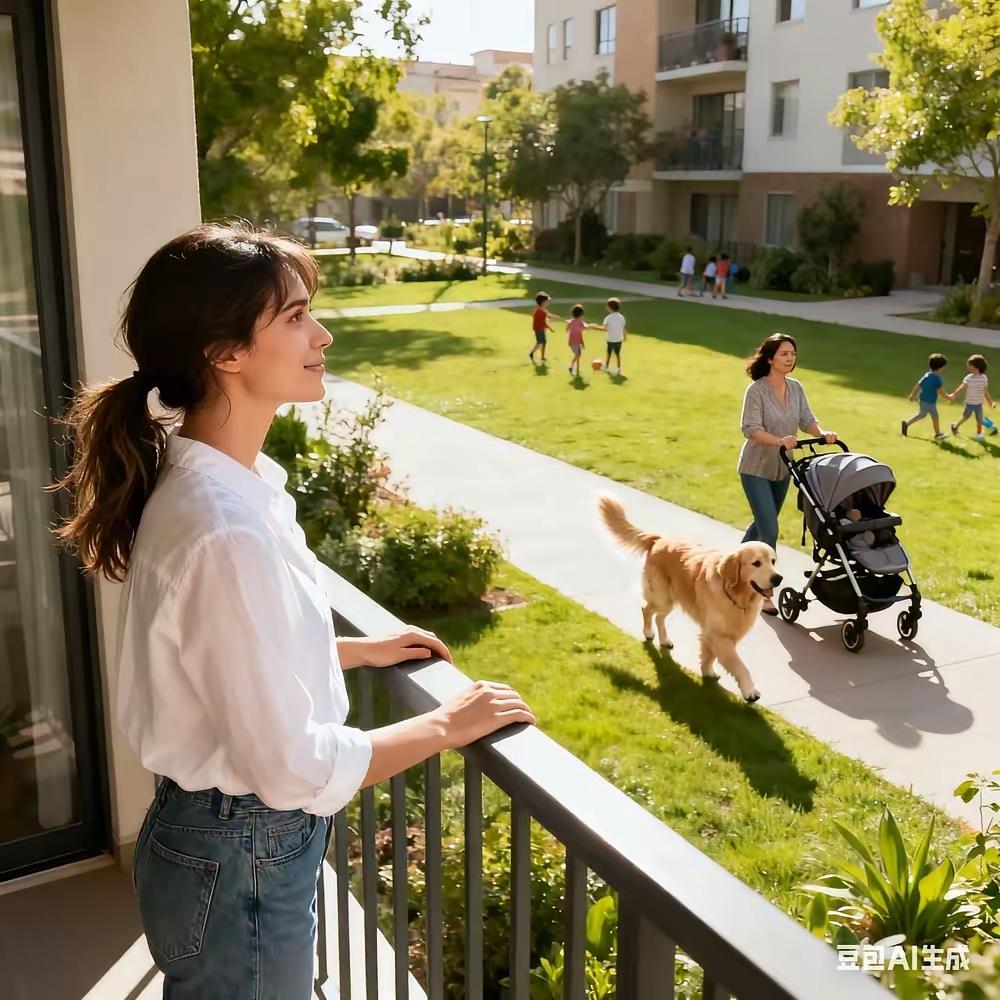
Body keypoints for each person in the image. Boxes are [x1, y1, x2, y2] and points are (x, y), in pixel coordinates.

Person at [52, 223, 535, 999]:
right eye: (295, 317)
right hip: (240, 849)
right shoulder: (223, 524)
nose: (323, 332)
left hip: (213, 844)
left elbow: (226, 656)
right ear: (225, 353)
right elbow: (289, 764)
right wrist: (448, 724)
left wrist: (353, 649)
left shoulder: (221, 486)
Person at [738, 333, 838, 614]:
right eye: (784, 354)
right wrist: (779, 439)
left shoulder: (796, 388)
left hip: (783, 468)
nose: (790, 358)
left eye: (793, 354)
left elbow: (806, 418)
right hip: (755, 468)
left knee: (760, 525)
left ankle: (731, 570)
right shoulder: (756, 390)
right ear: (770, 358)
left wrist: (822, 433)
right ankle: (764, 592)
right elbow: (750, 428)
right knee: (769, 529)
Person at [902, 352, 949, 440]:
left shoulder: (926, 375)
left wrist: (913, 395)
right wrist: (949, 397)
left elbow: (917, 386)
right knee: (932, 416)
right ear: (940, 368)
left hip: (923, 399)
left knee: (923, 415)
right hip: (929, 402)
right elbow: (941, 392)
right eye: (943, 367)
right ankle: (937, 434)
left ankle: (906, 423)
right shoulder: (937, 379)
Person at [950, 353, 996, 440]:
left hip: (979, 404)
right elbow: (962, 387)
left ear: (976, 367)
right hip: (969, 403)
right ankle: (955, 426)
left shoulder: (984, 378)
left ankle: (979, 434)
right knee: (965, 417)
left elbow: (985, 392)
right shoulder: (969, 378)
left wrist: (991, 402)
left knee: (979, 420)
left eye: (970, 366)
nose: (968, 367)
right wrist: (954, 394)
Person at [567, 304, 600, 377]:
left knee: (578, 355)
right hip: (574, 342)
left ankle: (572, 367)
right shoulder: (579, 322)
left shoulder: (573, 322)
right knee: (578, 355)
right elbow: (584, 328)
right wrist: (591, 326)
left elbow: (568, 329)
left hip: (573, 342)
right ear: (581, 315)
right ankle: (576, 369)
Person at [600, 296, 627, 375]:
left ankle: (606, 367)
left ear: (610, 307)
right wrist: (625, 337)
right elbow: (624, 328)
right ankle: (618, 369)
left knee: (608, 353)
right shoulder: (621, 317)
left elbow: (604, 329)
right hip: (619, 340)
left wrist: (594, 327)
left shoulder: (607, 318)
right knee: (617, 354)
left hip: (610, 340)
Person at [530, 290, 557, 365]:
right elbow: (543, 321)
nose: (547, 303)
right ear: (542, 302)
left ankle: (539, 356)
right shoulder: (540, 311)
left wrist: (550, 316)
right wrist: (550, 328)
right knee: (541, 342)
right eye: (546, 302)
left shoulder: (541, 310)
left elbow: (547, 315)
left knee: (541, 342)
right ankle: (536, 355)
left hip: (539, 328)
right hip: (538, 329)